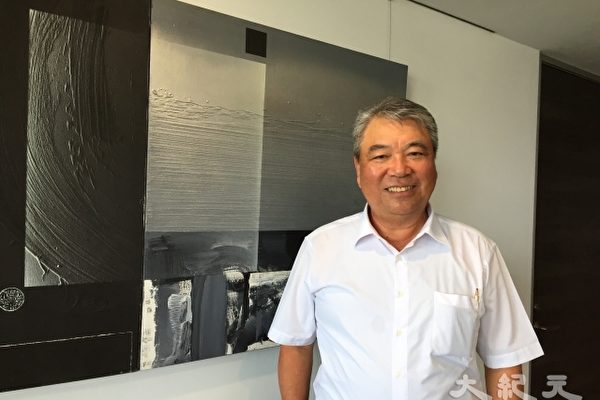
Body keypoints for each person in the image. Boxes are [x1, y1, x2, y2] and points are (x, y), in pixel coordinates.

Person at [267, 97, 543, 400]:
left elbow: (505, 358)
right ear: (358, 168)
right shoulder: (320, 247)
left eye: (415, 153)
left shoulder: (478, 252)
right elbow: (296, 345)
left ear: (434, 163)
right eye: (381, 156)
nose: (399, 169)